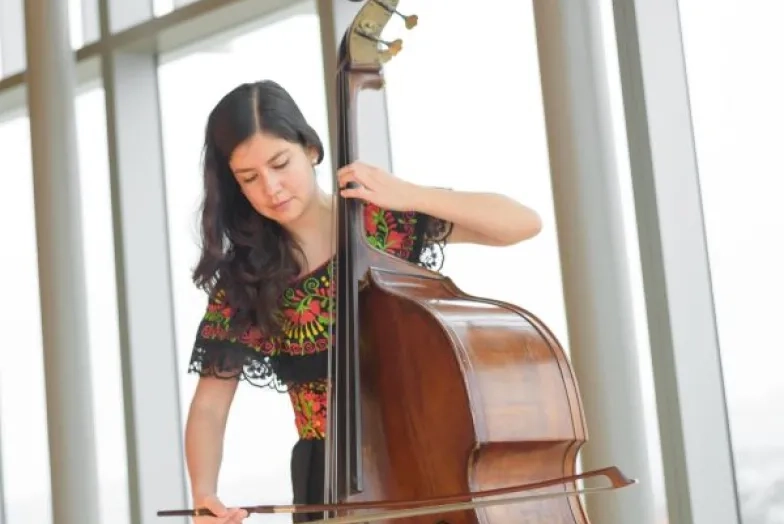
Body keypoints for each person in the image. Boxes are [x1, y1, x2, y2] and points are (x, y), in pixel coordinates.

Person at [183, 79, 543, 523]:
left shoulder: (383, 224)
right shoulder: (247, 280)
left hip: (418, 458)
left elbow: (521, 224)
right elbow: (209, 405)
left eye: (281, 164)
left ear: (311, 149)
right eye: (249, 179)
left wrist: (412, 195)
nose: (271, 188)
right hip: (328, 480)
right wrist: (204, 493)